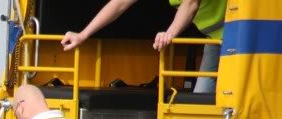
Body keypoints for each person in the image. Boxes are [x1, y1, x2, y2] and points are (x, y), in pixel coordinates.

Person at [60, 0, 226, 93]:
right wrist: (83, 34)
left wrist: (170, 33)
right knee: (201, 98)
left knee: (228, 97)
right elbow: (120, 3)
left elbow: (191, 3)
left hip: (240, 36)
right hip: (215, 39)